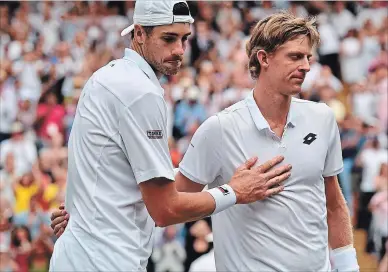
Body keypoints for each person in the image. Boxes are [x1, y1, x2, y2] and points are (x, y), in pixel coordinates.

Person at [51, 12, 360, 271]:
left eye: (308, 57)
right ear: (263, 58)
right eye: (295, 56)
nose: (306, 66)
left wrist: (348, 267)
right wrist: (89, 213)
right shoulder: (218, 129)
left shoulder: (323, 118)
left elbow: (334, 203)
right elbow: (168, 203)